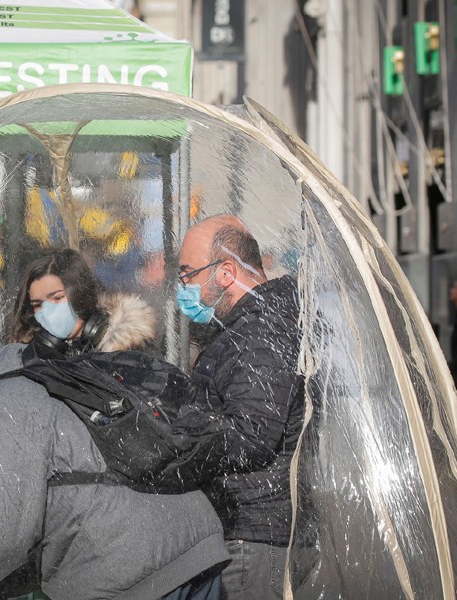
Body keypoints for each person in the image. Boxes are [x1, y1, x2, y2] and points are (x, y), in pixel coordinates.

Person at [0, 249, 230, 600]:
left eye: (56, 298)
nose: (47, 314)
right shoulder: (33, 383)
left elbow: (4, 535)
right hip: (188, 541)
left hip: (133, 564)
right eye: (37, 305)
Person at [177, 215, 304, 600]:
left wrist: (178, 438)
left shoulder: (261, 331)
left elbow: (252, 435)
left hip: (254, 529)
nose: (183, 287)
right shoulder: (247, 326)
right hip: (248, 523)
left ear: (226, 272)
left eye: (188, 274)